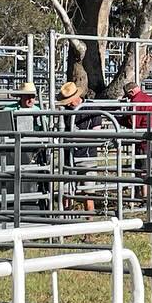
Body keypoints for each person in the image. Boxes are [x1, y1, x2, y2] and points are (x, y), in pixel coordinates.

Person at [57, 81, 104, 210]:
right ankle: (65, 216)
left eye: (69, 100)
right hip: (68, 156)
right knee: (65, 190)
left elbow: (96, 132)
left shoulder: (92, 108)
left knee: (88, 191)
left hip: (86, 156)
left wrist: (77, 137)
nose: (68, 103)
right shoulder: (65, 110)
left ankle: (89, 217)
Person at [122, 80, 152, 195]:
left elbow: (134, 122)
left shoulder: (135, 102)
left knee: (144, 170)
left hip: (145, 140)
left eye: (128, 96)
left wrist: (121, 119)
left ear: (131, 92)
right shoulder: (151, 100)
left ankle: (145, 196)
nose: (129, 98)